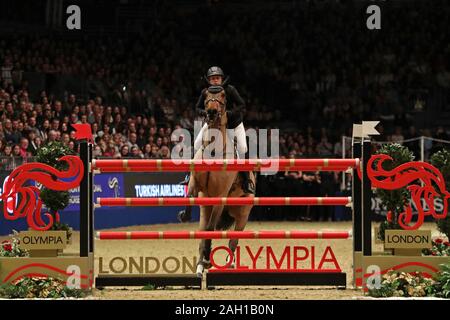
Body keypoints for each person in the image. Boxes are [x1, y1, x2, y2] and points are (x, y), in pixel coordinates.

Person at [180, 66, 255, 194]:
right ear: (209, 80)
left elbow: (242, 104)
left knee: (242, 148)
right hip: (212, 124)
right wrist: (205, 113)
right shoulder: (205, 92)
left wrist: (229, 114)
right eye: (213, 78)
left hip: (233, 124)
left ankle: (246, 180)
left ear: (221, 79)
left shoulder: (230, 90)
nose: (215, 81)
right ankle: (188, 175)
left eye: (217, 78)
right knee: (197, 144)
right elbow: (197, 107)